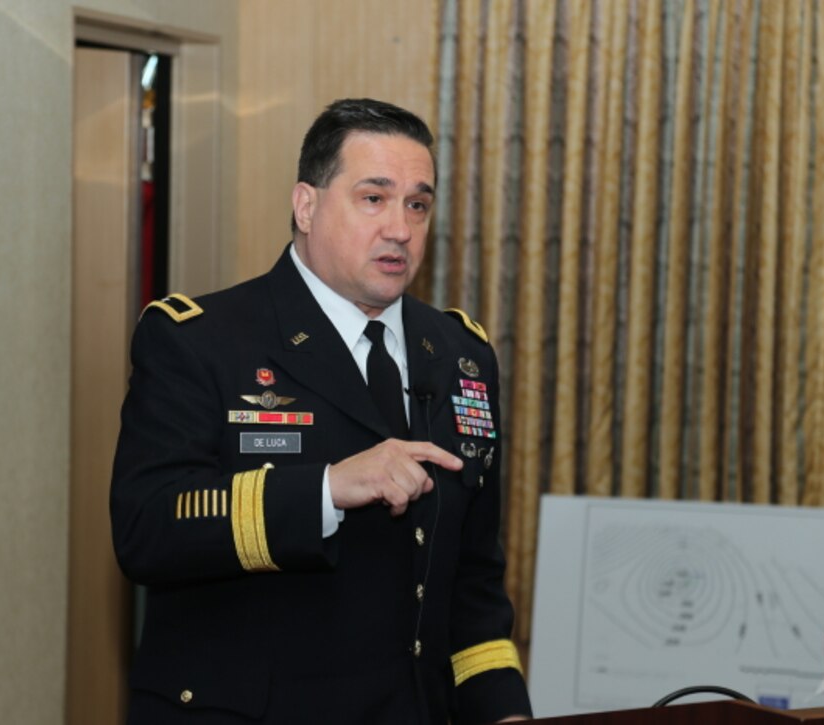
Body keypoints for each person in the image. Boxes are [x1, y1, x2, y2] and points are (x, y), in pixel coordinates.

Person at [111, 98, 532, 724]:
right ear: (306, 206)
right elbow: (147, 529)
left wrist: (505, 714)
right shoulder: (202, 339)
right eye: (373, 198)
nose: (400, 228)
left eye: (418, 204)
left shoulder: (460, 356)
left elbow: (471, 584)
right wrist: (329, 489)